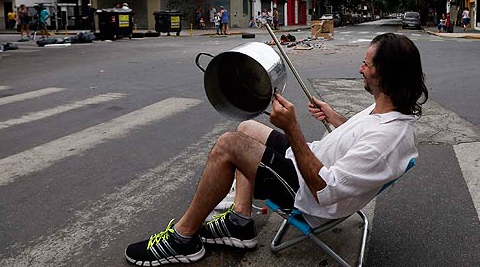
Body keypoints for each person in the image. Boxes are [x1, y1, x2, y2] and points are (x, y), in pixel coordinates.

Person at [123, 33, 427, 265]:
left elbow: (326, 189)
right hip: (311, 165)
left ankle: (183, 238)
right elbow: (362, 139)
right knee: (246, 128)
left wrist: (292, 128)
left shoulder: (388, 139)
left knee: (229, 145)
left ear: (385, 75)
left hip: (310, 194)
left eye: (367, 64)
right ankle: (241, 222)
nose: (360, 68)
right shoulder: (387, 111)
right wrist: (335, 117)